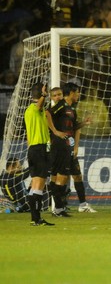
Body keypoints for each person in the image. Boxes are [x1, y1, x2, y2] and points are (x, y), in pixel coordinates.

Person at [48, 83, 89, 217]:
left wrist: (84, 123)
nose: (78, 95)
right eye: (77, 92)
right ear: (71, 93)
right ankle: (58, 208)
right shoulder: (61, 104)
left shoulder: (71, 109)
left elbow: (73, 127)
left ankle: (59, 208)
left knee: (60, 178)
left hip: (67, 146)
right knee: (62, 177)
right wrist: (55, 131)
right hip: (60, 145)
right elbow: (47, 113)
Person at [24, 83, 54, 226]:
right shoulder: (33, 109)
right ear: (41, 92)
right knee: (39, 183)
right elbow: (39, 106)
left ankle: (35, 218)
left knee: (37, 184)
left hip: (36, 149)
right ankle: (36, 218)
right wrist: (43, 95)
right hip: (38, 149)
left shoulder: (38, 112)